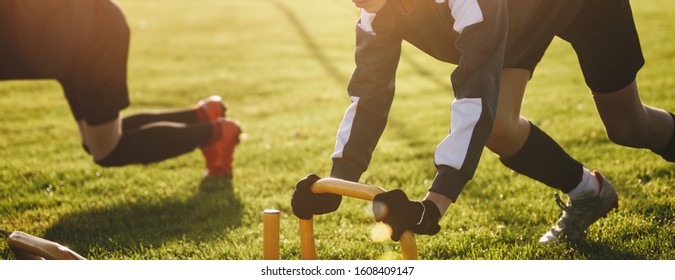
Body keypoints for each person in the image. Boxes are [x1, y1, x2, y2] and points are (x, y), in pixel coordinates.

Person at [291, 0, 673, 244]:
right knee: (499, 128)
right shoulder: (375, 13)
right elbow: (368, 97)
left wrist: (434, 205)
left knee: (627, 127)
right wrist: (338, 180)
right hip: (520, 18)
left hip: (582, 7)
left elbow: (473, 97)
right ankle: (590, 192)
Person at [0, 1, 242, 190]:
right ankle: (201, 116)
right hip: (70, 40)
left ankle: (216, 134)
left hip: (92, 36)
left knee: (105, 149)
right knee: (93, 142)